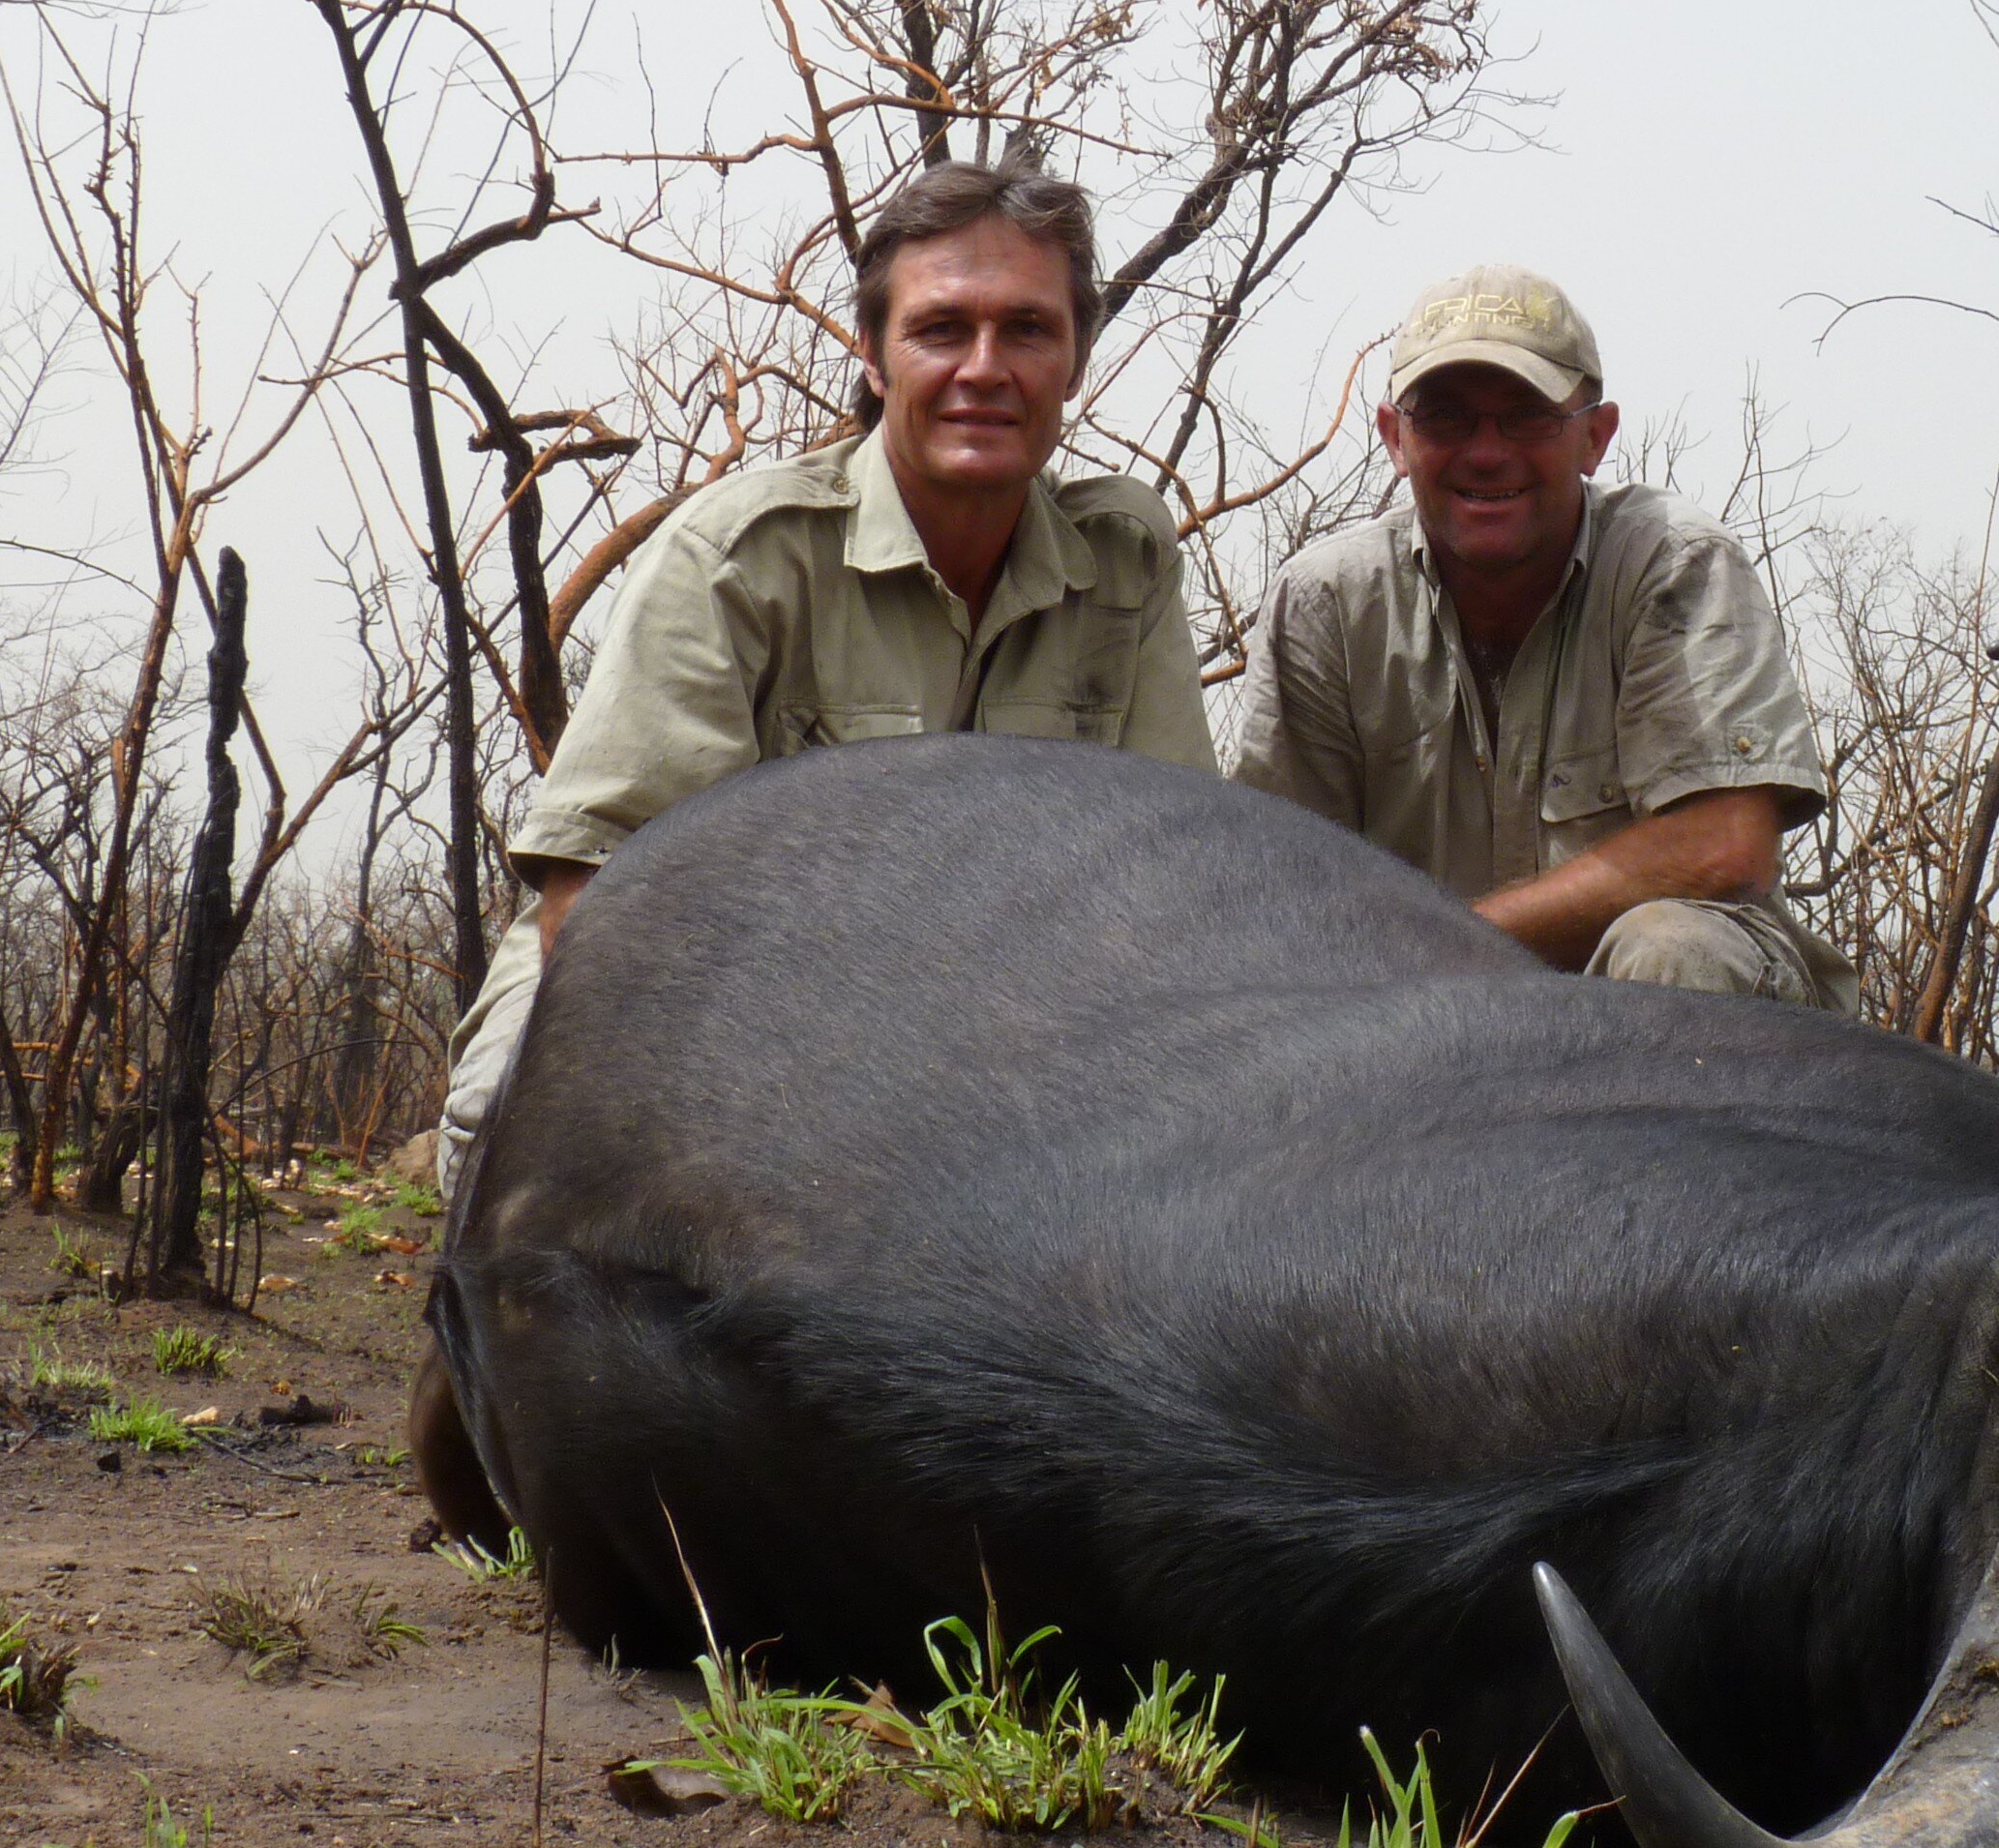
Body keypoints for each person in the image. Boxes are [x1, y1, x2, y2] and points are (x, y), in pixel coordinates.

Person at [435, 159, 1214, 1189]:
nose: (985, 367)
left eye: (1026, 330)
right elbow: (598, 898)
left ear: (1075, 361)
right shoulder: (741, 551)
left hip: (993, 1030)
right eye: (942, 330)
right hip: (691, 1012)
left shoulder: (1125, 556)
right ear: (875, 355)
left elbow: (1174, 895)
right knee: (533, 1146)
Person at [1230, 263, 1852, 1010]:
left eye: (1527, 416)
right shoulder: (1326, 604)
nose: (1487, 452)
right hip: (1418, 1036)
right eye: (1446, 418)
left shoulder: (1674, 565)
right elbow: (1271, 894)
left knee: (1676, 948)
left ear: (1596, 435)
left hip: (1657, 1030)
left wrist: (1443, 953)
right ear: (1395, 439)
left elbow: (1724, 847)